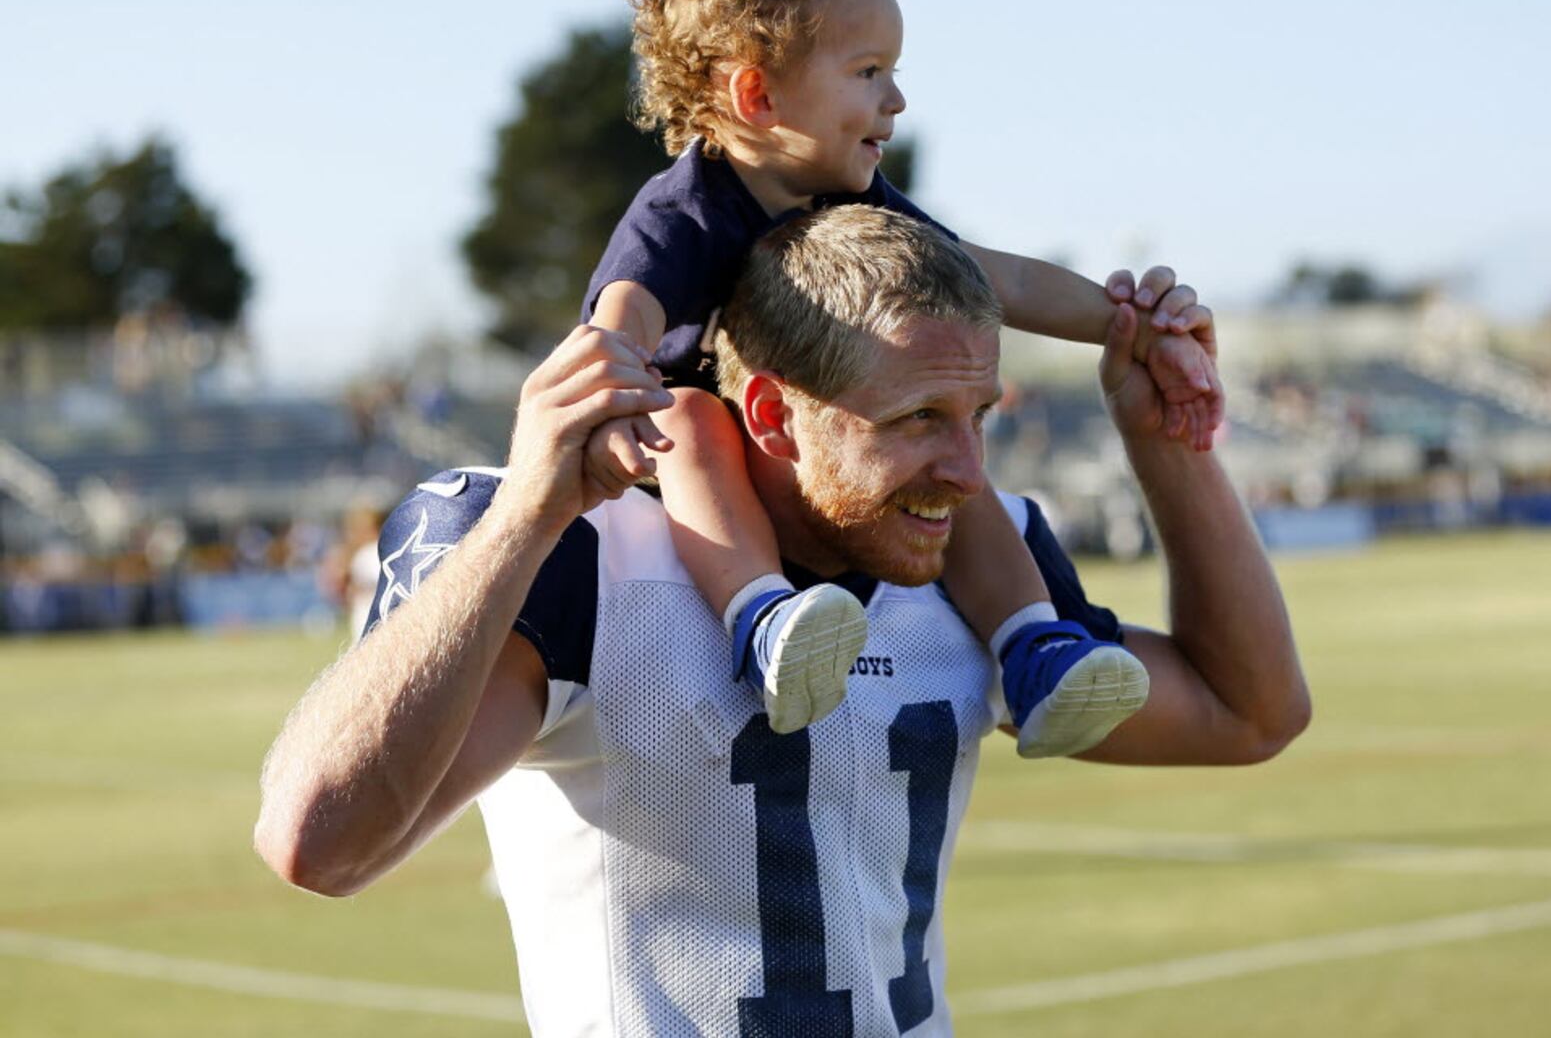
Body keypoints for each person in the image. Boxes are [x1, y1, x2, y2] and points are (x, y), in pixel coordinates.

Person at [255, 205, 1309, 1038]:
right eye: (917, 421)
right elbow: (319, 840)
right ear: (769, 413)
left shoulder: (973, 558)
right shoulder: (582, 552)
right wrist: (525, 517)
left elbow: (1246, 711)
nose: (968, 471)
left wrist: (1168, 438)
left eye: (979, 414)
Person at [585, 0, 1223, 755]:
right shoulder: (683, 211)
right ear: (758, 95)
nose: (896, 98)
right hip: (704, 462)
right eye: (868, 71)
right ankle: (764, 621)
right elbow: (623, 314)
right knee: (692, 420)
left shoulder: (866, 208)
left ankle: (1035, 648)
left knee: (956, 472)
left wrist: (1132, 324)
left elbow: (1006, 281)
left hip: (826, 462)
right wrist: (613, 382)